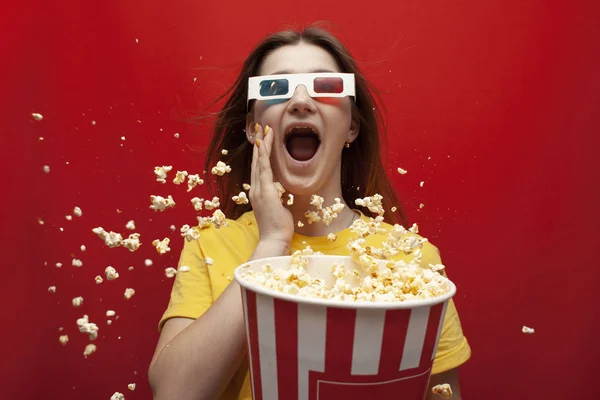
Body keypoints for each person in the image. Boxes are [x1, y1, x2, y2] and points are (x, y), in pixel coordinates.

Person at [148, 24, 471, 400]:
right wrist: (271, 244)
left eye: (327, 86)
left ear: (351, 126)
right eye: (274, 88)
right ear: (254, 128)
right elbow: (173, 393)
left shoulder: (411, 262)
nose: (301, 101)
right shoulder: (211, 247)